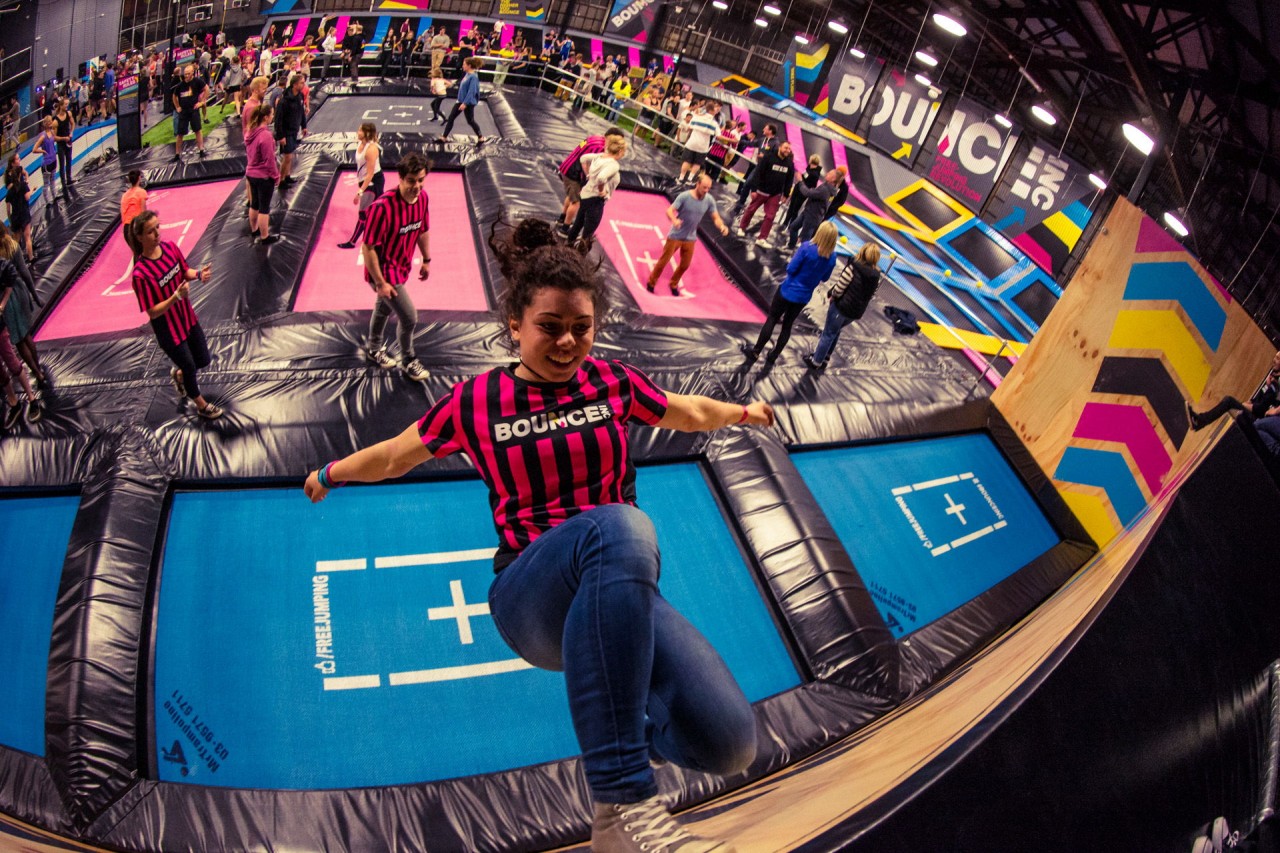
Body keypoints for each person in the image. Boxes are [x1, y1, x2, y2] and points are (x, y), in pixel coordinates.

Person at [303, 215, 768, 852]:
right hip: (533, 598)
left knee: (729, 744)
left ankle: (625, 740)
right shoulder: (477, 401)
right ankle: (623, 806)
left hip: (615, 587)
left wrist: (742, 412)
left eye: (582, 327)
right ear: (515, 325)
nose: (568, 342)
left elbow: (686, 412)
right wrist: (330, 472)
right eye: (550, 327)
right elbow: (393, 456)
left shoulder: (612, 381)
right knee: (620, 524)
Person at [123, 210, 223, 420]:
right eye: (150, 231)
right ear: (140, 238)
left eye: (157, 227)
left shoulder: (170, 248)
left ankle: (179, 375)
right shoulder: (141, 274)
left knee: (203, 359)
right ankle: (201, 405)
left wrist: (199, 274)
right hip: (168, 329)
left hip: (187, 318)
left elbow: (183, 270)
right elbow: (152, 311)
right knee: (189, 366)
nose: (157, 234)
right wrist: (175, 297)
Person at [360, 153, 432, 382]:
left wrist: (427, 259)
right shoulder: (381, 208)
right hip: (384, 272)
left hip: (402, 267)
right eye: (411, 180)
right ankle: (409, 359)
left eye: (420, 180)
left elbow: (422, 230)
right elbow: (368, 247)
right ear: (400, 178)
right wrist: (380, 283)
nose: (416, 186)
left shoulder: (423, 199)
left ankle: (374, 348)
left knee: (383, 309)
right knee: (409, 317)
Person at [742, 221, 840, 365]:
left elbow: (791, 268)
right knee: (787, 325)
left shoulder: (806, 248)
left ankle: (756, 351)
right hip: (803, 297)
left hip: (787, 291)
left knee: (772, 319)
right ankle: (774, 355)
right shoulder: (832, 257)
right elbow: (825, 278)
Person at [645, 174, 730, 297]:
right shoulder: (684, 196)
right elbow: (669, 211)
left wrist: (722, 226)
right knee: (663, 261)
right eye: (704, 187)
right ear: (698, 184)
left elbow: (715, 217)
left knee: (685, 265)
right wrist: (674, 220)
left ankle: (673, 284)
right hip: (676, 236)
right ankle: (651, 282)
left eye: (708, 188)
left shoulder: (709, 200)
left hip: (690, 238)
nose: (706, 190)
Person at [803, 241, 882, 370]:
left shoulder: (853, 267)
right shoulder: (876, 276)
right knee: (836, 331)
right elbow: (871, 295)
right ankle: (825, 357)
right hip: (855, 312)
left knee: (828, 334)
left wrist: (833, 296)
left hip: (841, 308)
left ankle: (816, 361)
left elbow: (839, 288)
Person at [0, 222, 47, 398]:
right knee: (26, 335)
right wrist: (34, 295)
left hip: (5, 298)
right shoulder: (12, 245)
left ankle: (36, 372)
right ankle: (38, 369)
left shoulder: (5, 250)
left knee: (19, 342)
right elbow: (25, 273)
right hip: (18, 292)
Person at [1189, 350, 1280, 433]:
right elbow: (1257, 400)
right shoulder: (1271, 378)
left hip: (1258, 420)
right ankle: (1199, 421)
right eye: (1275, 357)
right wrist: (1248, 402)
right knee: (1229, 403)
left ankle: (1199, 421)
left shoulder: (1276, 385)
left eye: (1278, 359)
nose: (1274, 360)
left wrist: (1243, 405)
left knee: (1229, 401)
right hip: (1253, 413)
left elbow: (1259, 409)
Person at [556, 127, 625, 234]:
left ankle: (562, 218)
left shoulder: (594, 138)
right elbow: (588, 162)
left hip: (568, 166)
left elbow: (581, 151)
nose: (617, 143)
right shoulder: (600, 148)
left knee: (571, 196)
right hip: (573, 173)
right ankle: (565, 228)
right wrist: (589, 176)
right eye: (617, 141)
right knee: (576, 201)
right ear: (610, 137)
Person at [565, 134, 627, 251]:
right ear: (620, 151)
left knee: (578, 224)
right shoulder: (613, 165)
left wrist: (588, 174)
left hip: (586, 195)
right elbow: (601, 178)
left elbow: (583, 158)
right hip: (595, 199)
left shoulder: (600, 156)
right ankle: (580, 255)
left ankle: (567, 248)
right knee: (588, 234)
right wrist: (601, 190)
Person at [734, 141, 795, 248]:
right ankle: (741, 228)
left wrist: (785, 194)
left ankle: (762, 239)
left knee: (770, 216)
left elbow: (789, 180)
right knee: (751, 210)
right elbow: (758, 173)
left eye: (789, 149)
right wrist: (754, 189)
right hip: (761, 190)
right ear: (780, 147)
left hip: (775, 194)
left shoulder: (789, 163)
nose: (787, 150)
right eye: (786, 148)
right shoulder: (768, 157)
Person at [337, 122, 382, 249]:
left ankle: (352, 242)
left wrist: (360, 192)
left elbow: (370, 174)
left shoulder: (371, 149)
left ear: (367, 133)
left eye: (360, 130)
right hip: (365, 180)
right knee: (375, 211)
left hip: (372, 182)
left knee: (363, 213)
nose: (358, 132)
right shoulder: (361, 143)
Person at [244, 103, 281, 244]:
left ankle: (254, 230)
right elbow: (269, 160)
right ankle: (265, 237)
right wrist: (276, 176)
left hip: (251, 173)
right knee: (264, 208)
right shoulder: (265, 135)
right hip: (263, 176)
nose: (272, 117)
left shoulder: (250, 132)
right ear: (265, 117)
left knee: (254, 204)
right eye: (272, 115)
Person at [785, 168, 841, 250]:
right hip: (808, 212)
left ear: (833, 179)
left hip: (813, 216)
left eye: (829, 173)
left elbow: (807, 193)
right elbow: (813, 192)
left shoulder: (825, 190)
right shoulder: (826, 186)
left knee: (805, 240)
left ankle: (802, 254)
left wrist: (800, 182)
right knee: (793, 227)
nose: (826, 174)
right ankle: (791, 247)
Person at [274, 73, 309, 188]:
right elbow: (278, 119)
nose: (304, 85)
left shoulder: (300, 96)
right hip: (286, 131)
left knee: (290, 156)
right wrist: (280, 136)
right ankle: (281, 180)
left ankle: (287, 176)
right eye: (301, 83)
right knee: (287, 156)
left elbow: (301, 111)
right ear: (295, 84)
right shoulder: (284, 100)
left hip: (294, 129)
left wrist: (304, 126)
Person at [441, 57, 485, 143]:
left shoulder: (473, 77)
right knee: (451, 118)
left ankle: (480, 137)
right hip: (460, 101)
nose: (462, 66)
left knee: (470, 121)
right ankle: (444, 137)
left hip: (468, 103)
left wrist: (465, 103)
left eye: (464, 64)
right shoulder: (467, 74)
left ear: (469, 66)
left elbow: (472, 91)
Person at [172, 64, 208, 160]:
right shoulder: (180, 85)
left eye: (188, 74)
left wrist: (202, 102)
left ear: (192, 73)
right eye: (185, 74)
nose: (186, 76)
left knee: (197, 130)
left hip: (193, 110)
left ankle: (201, 150)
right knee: (180, 133)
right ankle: (177, 154)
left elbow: (206, 89)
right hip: (184, 111)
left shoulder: (197, 81)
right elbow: (174, 96)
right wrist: (177, 107)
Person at [677, 105, 719, 185]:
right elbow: (719, 135)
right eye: (716, 109)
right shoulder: (714, 123)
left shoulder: (696, 117)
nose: (717, 110)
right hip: (703, 146)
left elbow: (689, 127)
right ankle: (689, 180)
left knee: (687, 161)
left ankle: (681, 178)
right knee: (697, 163)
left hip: (692, 143)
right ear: (712, 110)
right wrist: (733, 140)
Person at [4, 153, 34, 260]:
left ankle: (18, 260)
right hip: (23, 212)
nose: (19, 160)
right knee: (27, 237)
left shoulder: (10, 192)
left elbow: (8, 209)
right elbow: (27, 197)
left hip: (16, 214)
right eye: (17, 159)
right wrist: (31, 189)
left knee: (16, 240)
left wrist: (10, 220)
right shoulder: (21, 185)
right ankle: (31, 257)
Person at [32, 119, 58, 204]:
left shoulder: (52, 132)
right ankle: (47, 201)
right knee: (46, 183)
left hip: (53, 160)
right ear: (45, 124)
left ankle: (54, 196)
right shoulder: (43, 136)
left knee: (53, 180)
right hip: (47, 163)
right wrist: (42, 151)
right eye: (49, 122)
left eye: (51, 121)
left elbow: (55, 140)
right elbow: (34, 149)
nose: (51, 123)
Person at [53, 98, 75, 193]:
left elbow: (73, 124)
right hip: (61, 144)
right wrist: (63, 138)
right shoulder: (55, 121)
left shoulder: (69, 114)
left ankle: (69, 179)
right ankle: (63, 183)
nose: (67, 106)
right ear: (61, 105)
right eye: (65, 104)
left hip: (68, 141)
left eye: (67, 104)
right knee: (62, 163)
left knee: (69, 160)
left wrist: (71, 132)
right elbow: (54, 137)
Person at [120, 170, 148, 241]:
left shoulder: (124, 195)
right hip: (136, 227)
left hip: (127, 230)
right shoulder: (141, 192)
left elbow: (123, 215)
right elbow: (144, 213)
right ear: (139, 178)